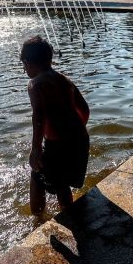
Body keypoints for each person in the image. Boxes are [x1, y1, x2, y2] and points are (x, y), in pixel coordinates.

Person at [21, 36, 89, 215]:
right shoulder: (65, 80)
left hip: (57, 145)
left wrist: (35, 149)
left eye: (24, 65)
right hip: (80, 140)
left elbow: (39, 116)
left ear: (28, 63)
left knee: (37, 175)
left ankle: (37, 218)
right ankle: (68, 213)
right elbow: (84, 109)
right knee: (61, 183)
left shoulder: (35, 84)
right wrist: (74, 130)